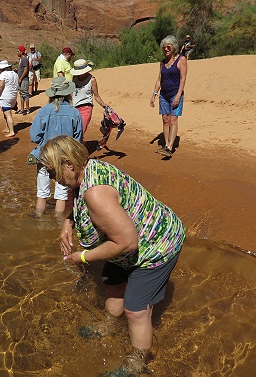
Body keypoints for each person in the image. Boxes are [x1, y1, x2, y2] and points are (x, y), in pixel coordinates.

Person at [39, 135, 185, 374]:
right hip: (130, 240)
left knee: (135, 310)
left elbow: (127, 242)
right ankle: (108, 325)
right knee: (112, 282)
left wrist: (83, 257)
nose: (53, 179)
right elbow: (79, 196)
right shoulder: (86, 170)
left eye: (53, 172)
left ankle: (137, 363)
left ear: (68, 164)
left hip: (157, 245)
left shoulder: (95, 193)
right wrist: (68, 222)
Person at [29, 77, 82, 216]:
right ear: (68, 93)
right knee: (61, 193)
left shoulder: (44, 111)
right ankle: (59, 224)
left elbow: (34, 136)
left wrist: (45, 141)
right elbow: (78, 140)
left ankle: (39, 219)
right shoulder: (75, 112)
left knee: (42, 192)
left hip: (45, 156)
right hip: (64, 157)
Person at [150, 35, 188, 157]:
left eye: (168, 47)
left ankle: (170, 146)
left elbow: (183, 79)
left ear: (173, 47)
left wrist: (178, 96)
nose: (166, 49)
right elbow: (159, 80)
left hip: (175, 94)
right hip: (164, 95)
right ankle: (166, 145)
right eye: (164, 47)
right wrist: (154, 94)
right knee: (165, 120)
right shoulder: (162, 63)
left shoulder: (181, 60)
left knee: (173, 120)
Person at [71, 59, 111, 137]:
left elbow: (96, 96)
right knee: (73, 129)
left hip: (86, 107)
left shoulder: (92, 80)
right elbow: (73, 92)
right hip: (74, 107)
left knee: (81, 130)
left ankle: (77, 146)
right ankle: (81, 144)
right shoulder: (74, 78)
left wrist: (104, 105)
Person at [0, 60, 19, 137]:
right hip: (13, 95)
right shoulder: (15, 74)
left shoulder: (3, 74)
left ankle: (11, 131)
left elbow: (1, 85)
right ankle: (7, 128)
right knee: (6, 112)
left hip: (5, 96)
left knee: (8, 114)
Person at [16, 46, 30, 115]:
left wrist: (21, 78)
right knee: (21, 94)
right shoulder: (22, 60)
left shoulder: (24, 59)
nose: (17, 52)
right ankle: (22, 109)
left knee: (25, 94)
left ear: (22, 52)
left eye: (18, 51)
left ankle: (27, 109)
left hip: (24, 80)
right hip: (21, 79)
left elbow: (26, 70)